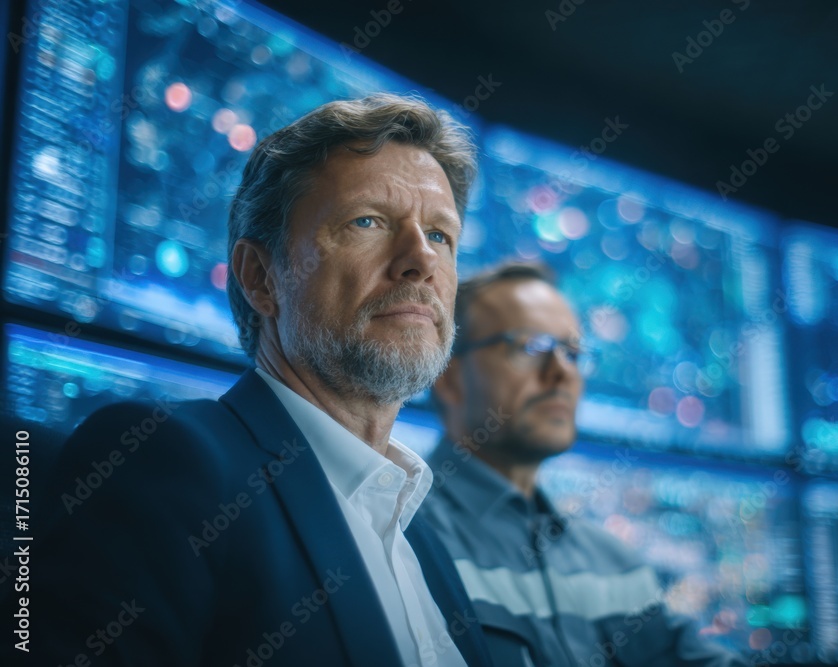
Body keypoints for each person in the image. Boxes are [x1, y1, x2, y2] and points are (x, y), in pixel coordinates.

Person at [28, 94, 493, 667]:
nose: (420, 260)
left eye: (441, 236)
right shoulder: (162, 461)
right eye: (367, 221)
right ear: (261, 277)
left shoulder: (420, 536)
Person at [421, 262, 747, 667]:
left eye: (573, 353)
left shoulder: (613, 562)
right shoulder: (400, 534)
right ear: (448, 377)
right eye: (530, 346)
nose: (562, 372)